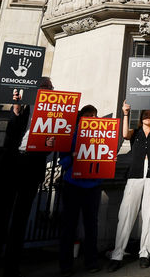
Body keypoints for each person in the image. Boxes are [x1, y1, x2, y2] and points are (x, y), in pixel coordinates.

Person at [0, 76, 55, 277]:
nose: (46, 89)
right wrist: (16, 109)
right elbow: (11, 131)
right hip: (12, 164)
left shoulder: (53, 114)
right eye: (42, 86)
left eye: (49, 87)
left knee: (20, 219)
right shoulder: (22, 106)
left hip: (33, 165)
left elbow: (54, 144)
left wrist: (50, 144)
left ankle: (11, 267)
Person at [107, 100, 150, 272]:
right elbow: (124, 134)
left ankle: (145, 253)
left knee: (149, 214)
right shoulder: (134, 133)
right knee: (127, 213)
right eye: (145, 115)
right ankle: (117, 254)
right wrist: (125, 113)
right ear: (141, 117)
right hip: (135, 174)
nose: (147, 117)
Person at [59, 105, 102, 276]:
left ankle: (91, 261)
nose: (91, 118)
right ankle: (65, 264)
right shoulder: (71, 135)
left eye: (94, 115)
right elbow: (62, 161)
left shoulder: (100, 135)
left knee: (91, 226)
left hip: (93, 186)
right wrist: (73, 156)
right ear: (80, 117)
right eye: (88, 115)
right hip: (73, 185)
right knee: (69, 226)